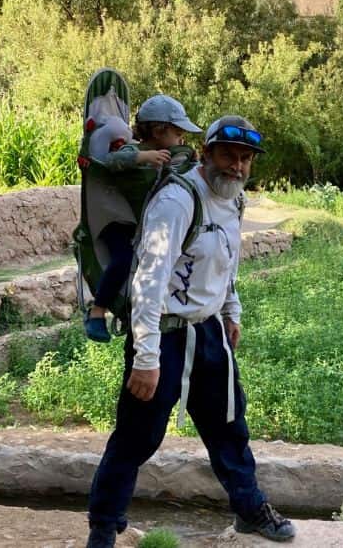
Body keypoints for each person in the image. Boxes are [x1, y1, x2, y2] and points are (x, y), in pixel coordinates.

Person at [86, 116, 296, 547]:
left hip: (210, 333)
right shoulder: (178, 201)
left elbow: (226, 262)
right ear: (206, 153)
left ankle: (249, 509)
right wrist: (147, 358)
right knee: (136, 437)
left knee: (229, 426)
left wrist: (231, 311)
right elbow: (149, 280)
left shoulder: (235, 200)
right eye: (227, 156)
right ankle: (104, 527)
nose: (236, 167)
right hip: (163, 336)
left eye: (245, 159)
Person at [83, 94, 202, 343]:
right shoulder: (133, 150)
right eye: (178, 134)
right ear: (159, 131)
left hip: (144, 224)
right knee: (123, 260)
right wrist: (143, 158)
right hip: (117, 219)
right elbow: (110, 161)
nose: (182, 140)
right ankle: (97, 311)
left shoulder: (170, 155)